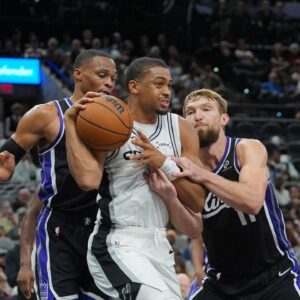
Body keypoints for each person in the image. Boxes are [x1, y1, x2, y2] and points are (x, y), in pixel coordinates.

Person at [64, 57, 206, 299]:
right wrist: (69, 122)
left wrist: (164, 163)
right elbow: (88, 181)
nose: (166, 92)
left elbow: (198, 200)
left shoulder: (181, 128)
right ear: (134, 87)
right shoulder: (106, 121)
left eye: (170, 86)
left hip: (160, 242)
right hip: (118, 240)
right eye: (159, 84)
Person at [0, 49, 117, 300]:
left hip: (100, 229)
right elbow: (8, 166)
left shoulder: (119, 120)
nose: (109, 82)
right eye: (102, 74)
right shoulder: (46, 115)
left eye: (113, 78)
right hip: (58, 227)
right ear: (78, 74)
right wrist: (24, 262)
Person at [171, 88, 300, 299]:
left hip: (275, 276)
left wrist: (202, 175)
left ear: (224, 118)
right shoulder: (186, 169)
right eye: (190, 112)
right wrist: (197, 268)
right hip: (221, 282)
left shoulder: (247, 148)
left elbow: (252, 201)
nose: (198, 116)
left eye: (206, 109)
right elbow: (195, 230)